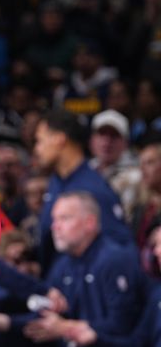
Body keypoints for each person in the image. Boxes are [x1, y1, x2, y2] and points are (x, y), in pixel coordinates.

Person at [22, 192, 145, 344]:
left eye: (64, 218)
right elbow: (46, 318)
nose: (55, 226)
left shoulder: (114, 260)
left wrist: (66, 327)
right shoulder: (62, 263)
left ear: (89, 223)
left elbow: (123, 324)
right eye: (54, 219)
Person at [33, 109, 133, 270]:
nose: (37, 149)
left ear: (59, 139)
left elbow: (120, 251)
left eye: (40, 141)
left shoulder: (93, 189)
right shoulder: (57, 180)